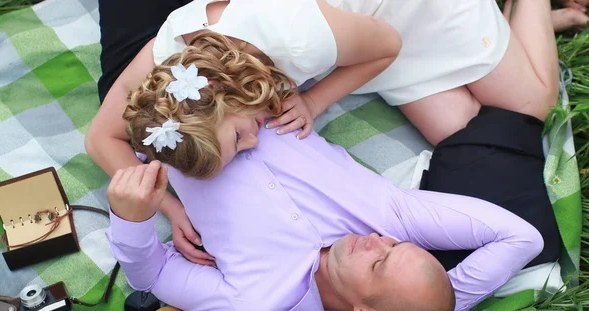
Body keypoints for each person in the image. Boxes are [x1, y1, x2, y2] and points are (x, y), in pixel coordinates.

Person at [88, 0, 574, 267]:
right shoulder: (170, 68)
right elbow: (100, 138)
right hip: (355, 31)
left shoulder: (295, 33)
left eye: (240, 136)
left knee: (528, 103)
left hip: (401, 18)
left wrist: (316, 100)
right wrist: (170, 206)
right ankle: (512, 30)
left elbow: (388, 45)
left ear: (220, 90)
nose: (255, 144)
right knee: (463, 126)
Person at [106, 131, 543, 311]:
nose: (374, 241)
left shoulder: (257, 310)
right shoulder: (391, 218)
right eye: (392, 246)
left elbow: (153, 274)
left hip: (158, 117)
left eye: (378, 263)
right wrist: (445, 308)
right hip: (241, 59)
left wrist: (136, 216)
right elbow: (521, 237)